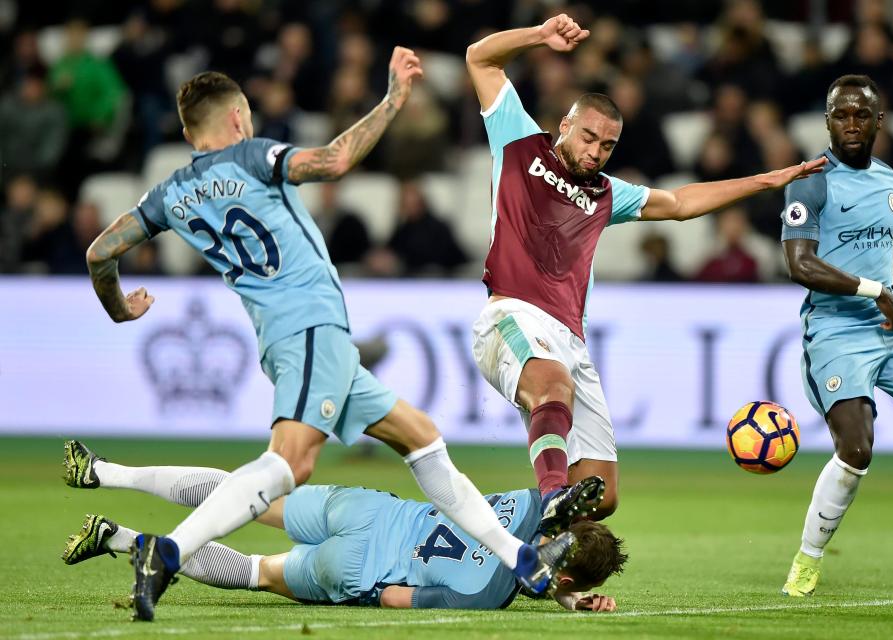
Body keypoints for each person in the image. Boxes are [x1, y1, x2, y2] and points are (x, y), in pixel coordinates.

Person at [79, 51, 576, 622]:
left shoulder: (167, 194)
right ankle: (169, 552)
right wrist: (392, 99)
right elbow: (335, 160)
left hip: (290, 337)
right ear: (240, 117)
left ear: (189, 133)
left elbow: (100, 252)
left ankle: (519, 559)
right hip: (311, 327)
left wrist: (120, 310)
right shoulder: (251, 155)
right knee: (291, 465)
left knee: (422, 439)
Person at [464, 13, 826, 521]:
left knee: (600, 494)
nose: (595, 153)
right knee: (552, 391)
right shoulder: (519, 141)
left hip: (571, 338)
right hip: (511, 317)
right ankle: (547, 502)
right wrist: (538, 37)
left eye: (607, 146)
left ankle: (524, 543)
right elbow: (479, 57)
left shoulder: (610, 193)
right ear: (566, 124)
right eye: (588, 137)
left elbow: (679, 202)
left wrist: (768, 181)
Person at [61, 441, 624, 612]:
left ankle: (107, 471)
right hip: (359, 567)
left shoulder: (526, 509)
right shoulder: (487, 596)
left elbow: (540, 542)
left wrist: (563, 594)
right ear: (569, 578)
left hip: (368, 511)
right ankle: (119, 538)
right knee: (258, 572)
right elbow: (399, 598)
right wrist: (567, 601)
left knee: (243, 496)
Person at [778, 74, 893, 597]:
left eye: (862, 115)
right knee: (856, 449)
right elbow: (800, 263)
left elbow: (879, 251)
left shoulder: (886, 179)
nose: (851, 124)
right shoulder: (811, 180)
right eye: (841, 115)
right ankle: (806, 562)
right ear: (827, 120)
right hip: (836, 330)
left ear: (880, 121)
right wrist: (873, 290)